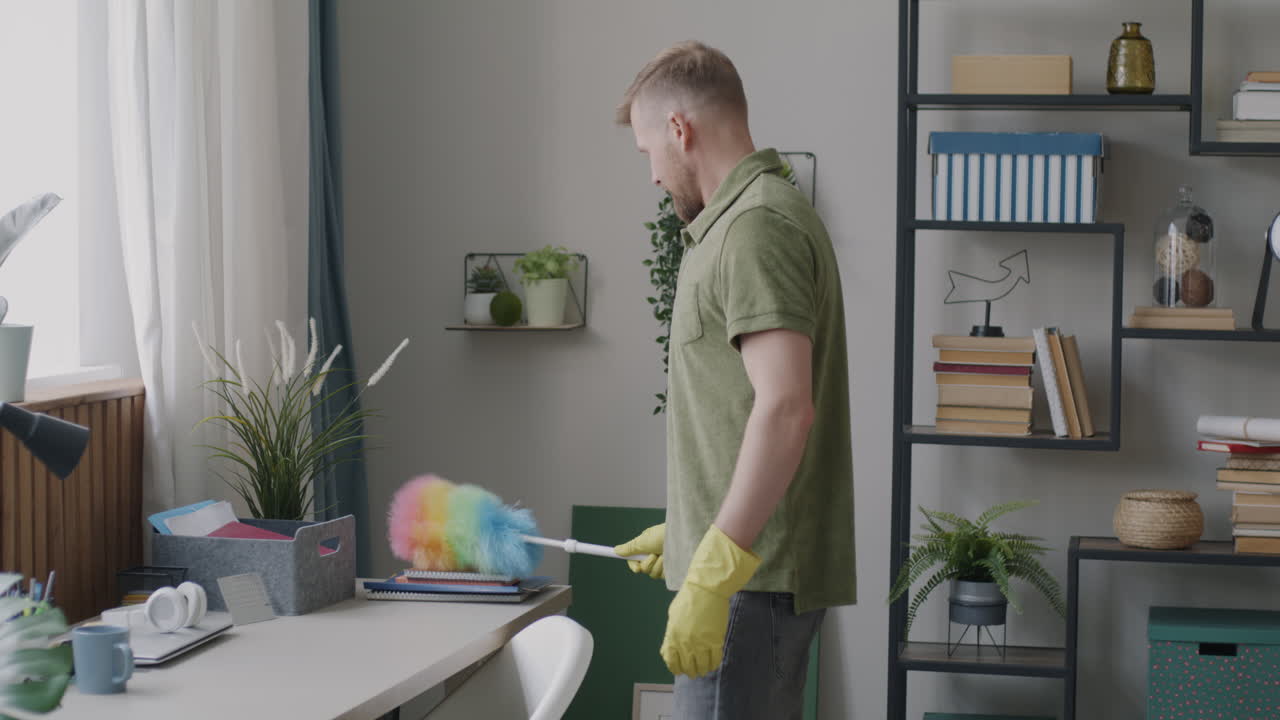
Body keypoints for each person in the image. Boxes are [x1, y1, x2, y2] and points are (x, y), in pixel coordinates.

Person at [612, 41, 856, 720]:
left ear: (679, 130)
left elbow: (785, 410)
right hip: (749, 572)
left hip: (751, 585)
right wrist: (689, 530)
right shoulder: (739, 225)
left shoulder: (754, 228)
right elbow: (740, 407)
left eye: (646, 152)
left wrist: (715, 569)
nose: (653, 177)